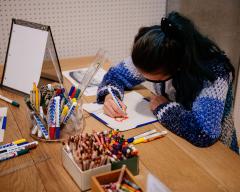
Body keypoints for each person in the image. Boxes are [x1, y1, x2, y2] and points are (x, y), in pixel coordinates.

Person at [96, 11, 239, 154]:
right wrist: (110, 96)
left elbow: (204, 132)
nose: (140, 75)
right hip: (175, 139)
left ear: (177, 68)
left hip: (218, 153)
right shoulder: (157, 49)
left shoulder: (214, 73)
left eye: (152, 78)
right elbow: (116, 74)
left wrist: (163, 107)